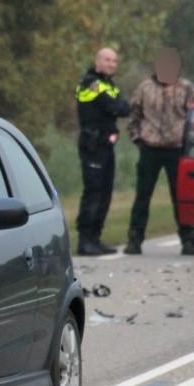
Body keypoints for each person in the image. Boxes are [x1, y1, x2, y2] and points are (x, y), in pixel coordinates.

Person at [125, 47, 194, 256]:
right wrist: (137, 139)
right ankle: (134, 239)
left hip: (177, 150)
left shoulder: (186, 89)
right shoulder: (145, 88)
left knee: (181, 196)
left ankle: (188, 240)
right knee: (143, 196)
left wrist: (189, 144)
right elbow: (133, 115)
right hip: (150, 149)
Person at [75, 47, 130, 256]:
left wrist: (120, 106)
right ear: (97, 61)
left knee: (105, 192)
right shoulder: (90, 82)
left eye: (114, 61)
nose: (111, 64)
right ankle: (85, 240)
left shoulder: (110, 85)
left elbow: (124, 107)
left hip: (106, 146)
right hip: (93, 145)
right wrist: (119, 106)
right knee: (93, 191)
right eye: (107, 60)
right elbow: (114, 107)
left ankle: (96, 239)